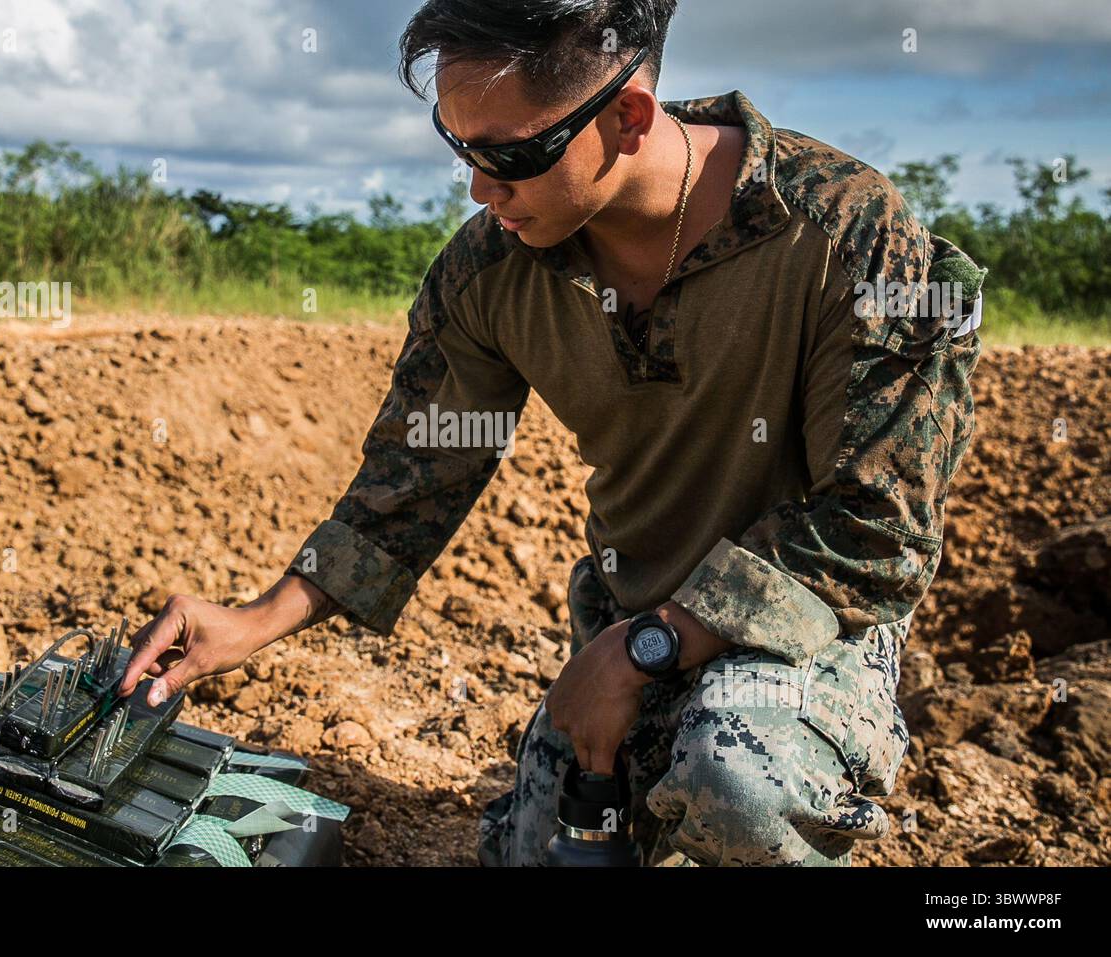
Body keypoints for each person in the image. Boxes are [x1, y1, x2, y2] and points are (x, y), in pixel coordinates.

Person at [119, 0, 986, 866]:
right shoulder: (491, 270)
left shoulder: (844, 232)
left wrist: (650, 645)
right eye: (460, 149)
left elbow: (876, 527)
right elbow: (415, 475)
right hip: (627, 626)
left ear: (628, 117)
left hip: (803, 636)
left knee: (736, 778)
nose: (479, 189)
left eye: (510, 156)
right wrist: (257, 618)